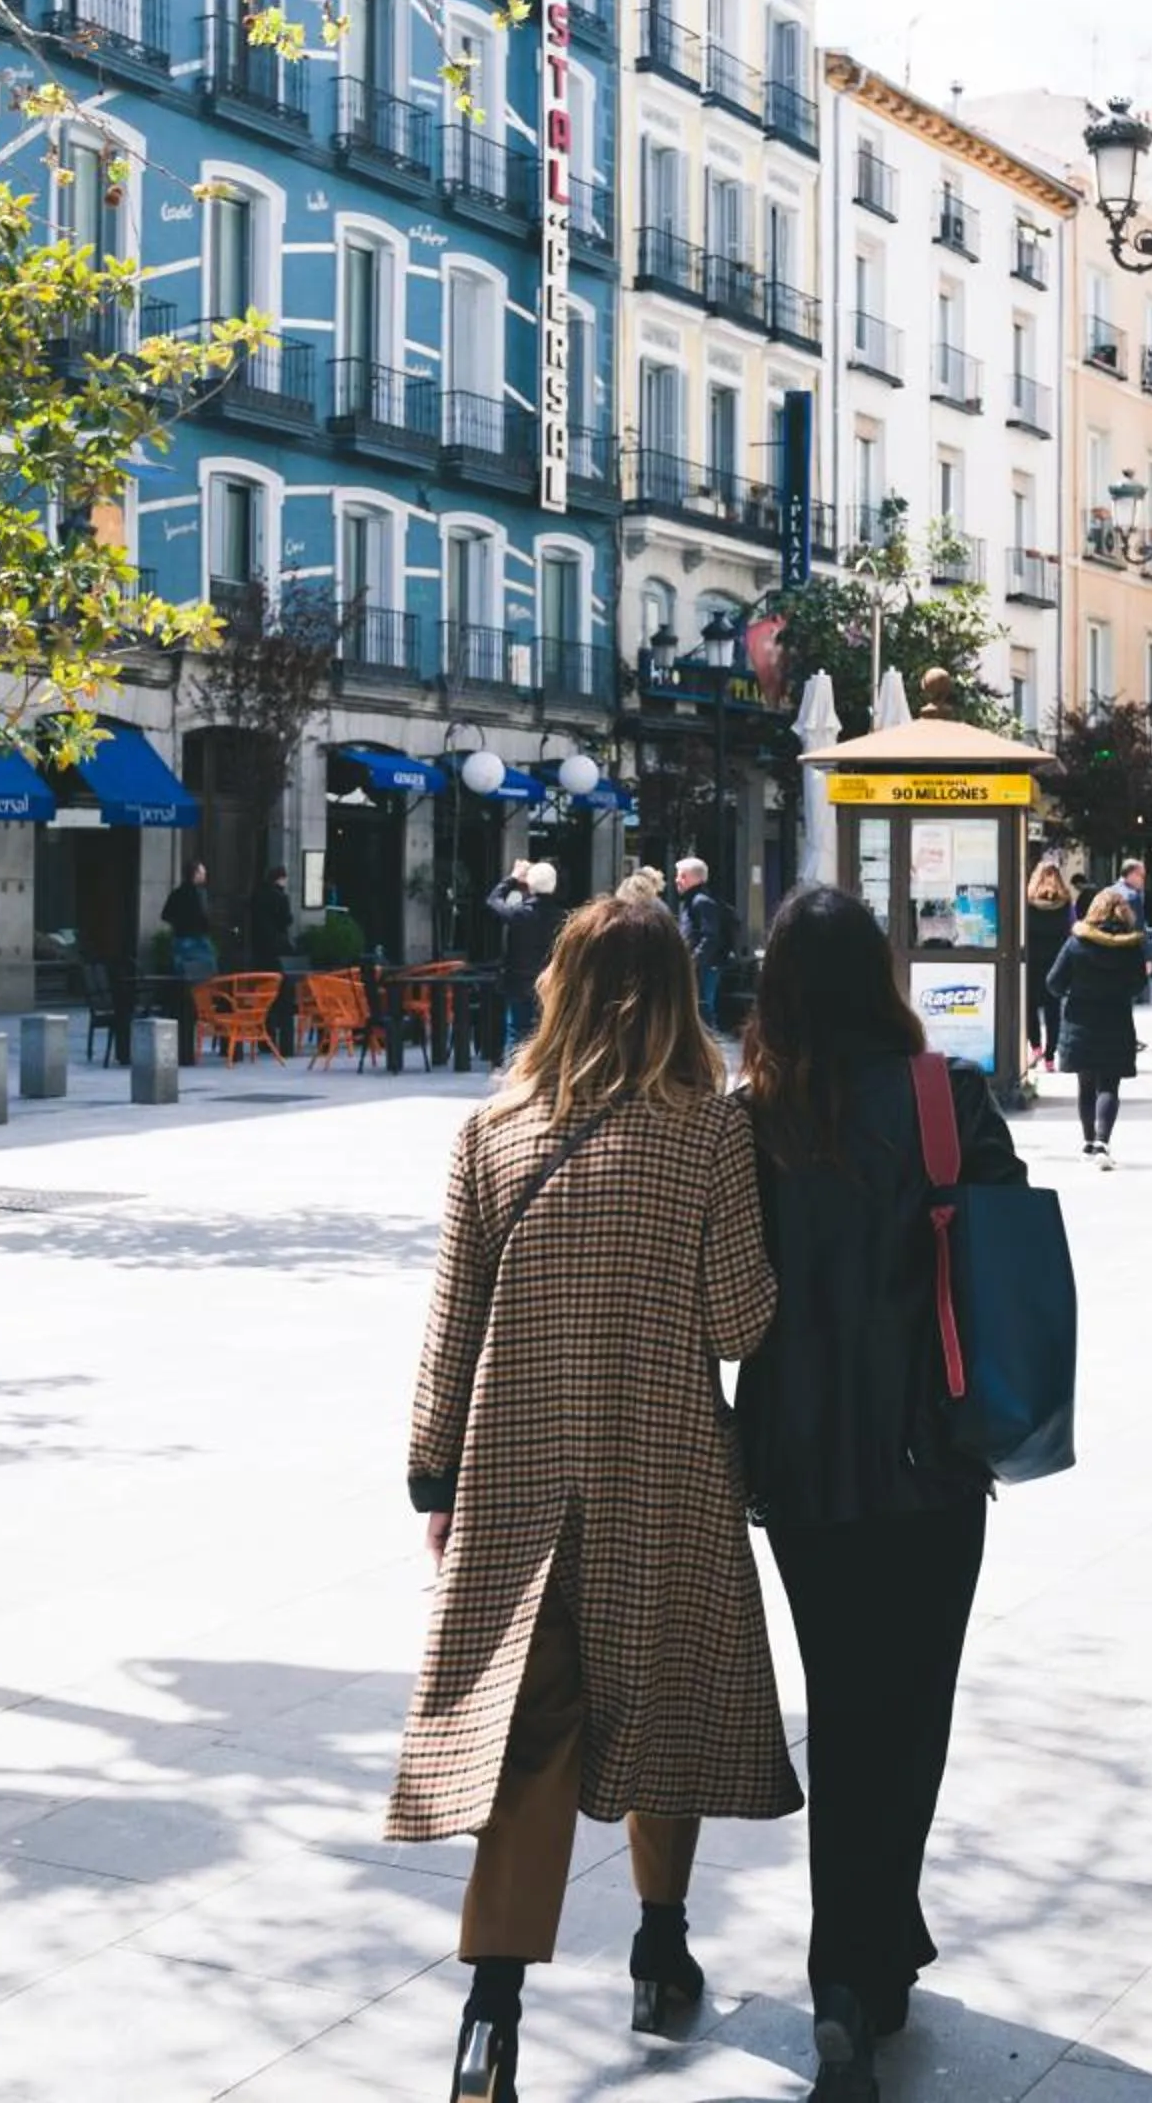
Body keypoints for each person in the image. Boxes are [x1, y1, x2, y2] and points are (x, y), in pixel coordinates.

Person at [388, 895, 798, 2103]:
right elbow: (737, 1321)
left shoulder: (491, 1129)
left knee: (525, 1738)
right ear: (678, 993)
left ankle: (489, 2017)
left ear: (555, 988)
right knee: (661, 1706)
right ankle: (659, 1954)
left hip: (515, 1477)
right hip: (661, 1470)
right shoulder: (707, 1134)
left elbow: (450, 1319)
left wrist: (433, 1472)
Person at [734, 885, 1025, 2092]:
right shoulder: (945, 1096)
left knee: (843, 1705)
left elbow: (725, 1296)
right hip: (932, 1457)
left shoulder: (748, 1118)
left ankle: (848, 1969)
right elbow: (1010, 1259)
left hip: (800, 1464)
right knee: (913, 1708)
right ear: (883, 975)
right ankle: (870, 1955)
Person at [1048, 885, 1145, 1165]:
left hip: (1080, 1021)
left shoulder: (1076, 943)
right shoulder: (1130, 947)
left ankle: (1088, 1143)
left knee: (1086, 1084)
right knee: (1109, 1085)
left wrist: (1072, 992)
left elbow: (1053, 983)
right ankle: (1103, 1142)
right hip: (1116, 1021)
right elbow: (1139, 984)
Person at [485, 858, 565, 1046]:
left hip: (518, 983)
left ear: (529, 885)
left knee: (516, 1032)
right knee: (546, 1035)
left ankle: (515, 1073)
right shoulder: (563, 919)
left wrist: (513, 878)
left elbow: (493, 900)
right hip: (549, 984)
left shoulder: (519, 914)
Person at [1024, 857, 1075, 1067]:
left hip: (1032, 962)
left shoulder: (1027, 903)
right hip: (1056, 962)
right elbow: (1073, 928)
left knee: (1030, 1008)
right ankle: (1050, 1057)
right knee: (1053, 1010)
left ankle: (1035, 1048)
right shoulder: (1066, 903)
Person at [675, 854, 733, 1027]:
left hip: (705, 966)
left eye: (681, 875)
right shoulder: (693, 900)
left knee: (703, 1007)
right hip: (701, 965)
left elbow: (710, 936)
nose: (677, 880)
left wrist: (693, 961)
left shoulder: (701, 902)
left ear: (689, 877)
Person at [161, 860, 217, 979]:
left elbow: (165, 915)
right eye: (203, 873)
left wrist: (179, 923)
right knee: (205, 976)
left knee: (184, 977)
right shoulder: (200, 893)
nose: (205, 875)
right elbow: (204, 915)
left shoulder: (176, 893)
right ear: (195, 874)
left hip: (180, 939)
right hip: (198, 940)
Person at [248, 863, 295, 968]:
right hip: (276, 942)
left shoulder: (257, 893)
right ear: (280, 878)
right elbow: (285, 920)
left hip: (258, 940)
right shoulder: (281, 897)